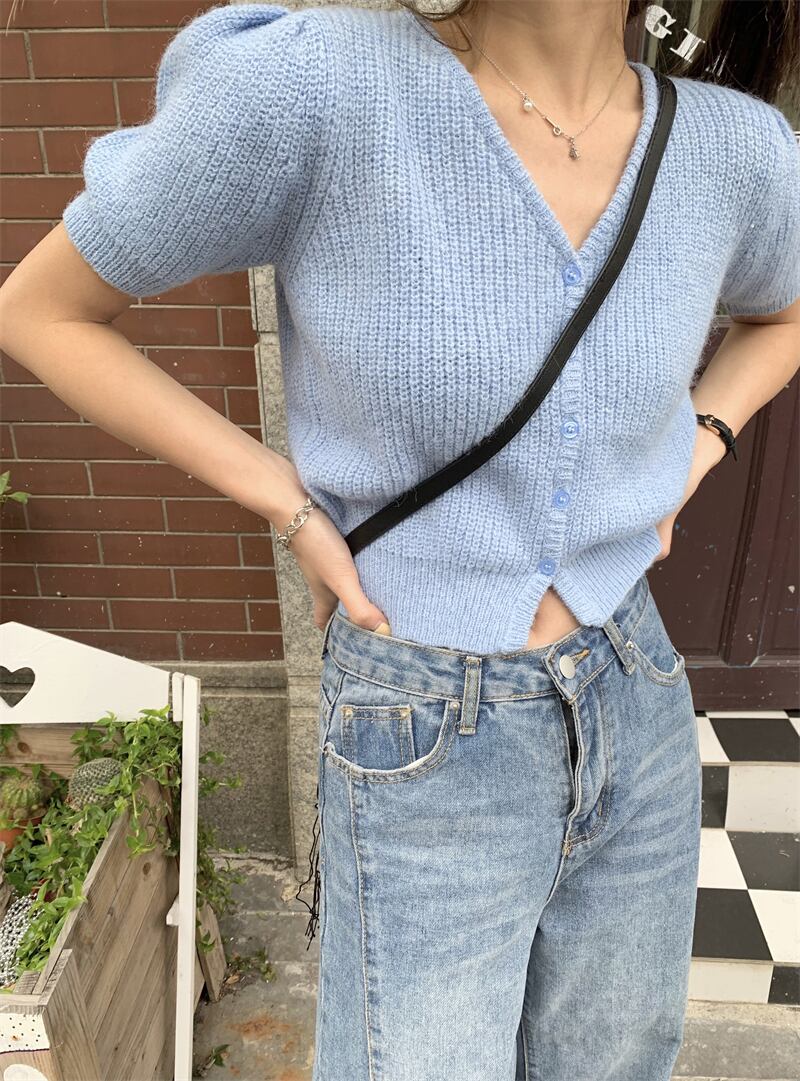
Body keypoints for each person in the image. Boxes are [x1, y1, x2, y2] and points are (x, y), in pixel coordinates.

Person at [1, 2, 798, 1078]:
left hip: (633, 686)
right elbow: (42, 309)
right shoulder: (317, 90)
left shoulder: (734, 151)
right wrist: (284, 500)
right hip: (419, 713)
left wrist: (699, 445)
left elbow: (783, 312)